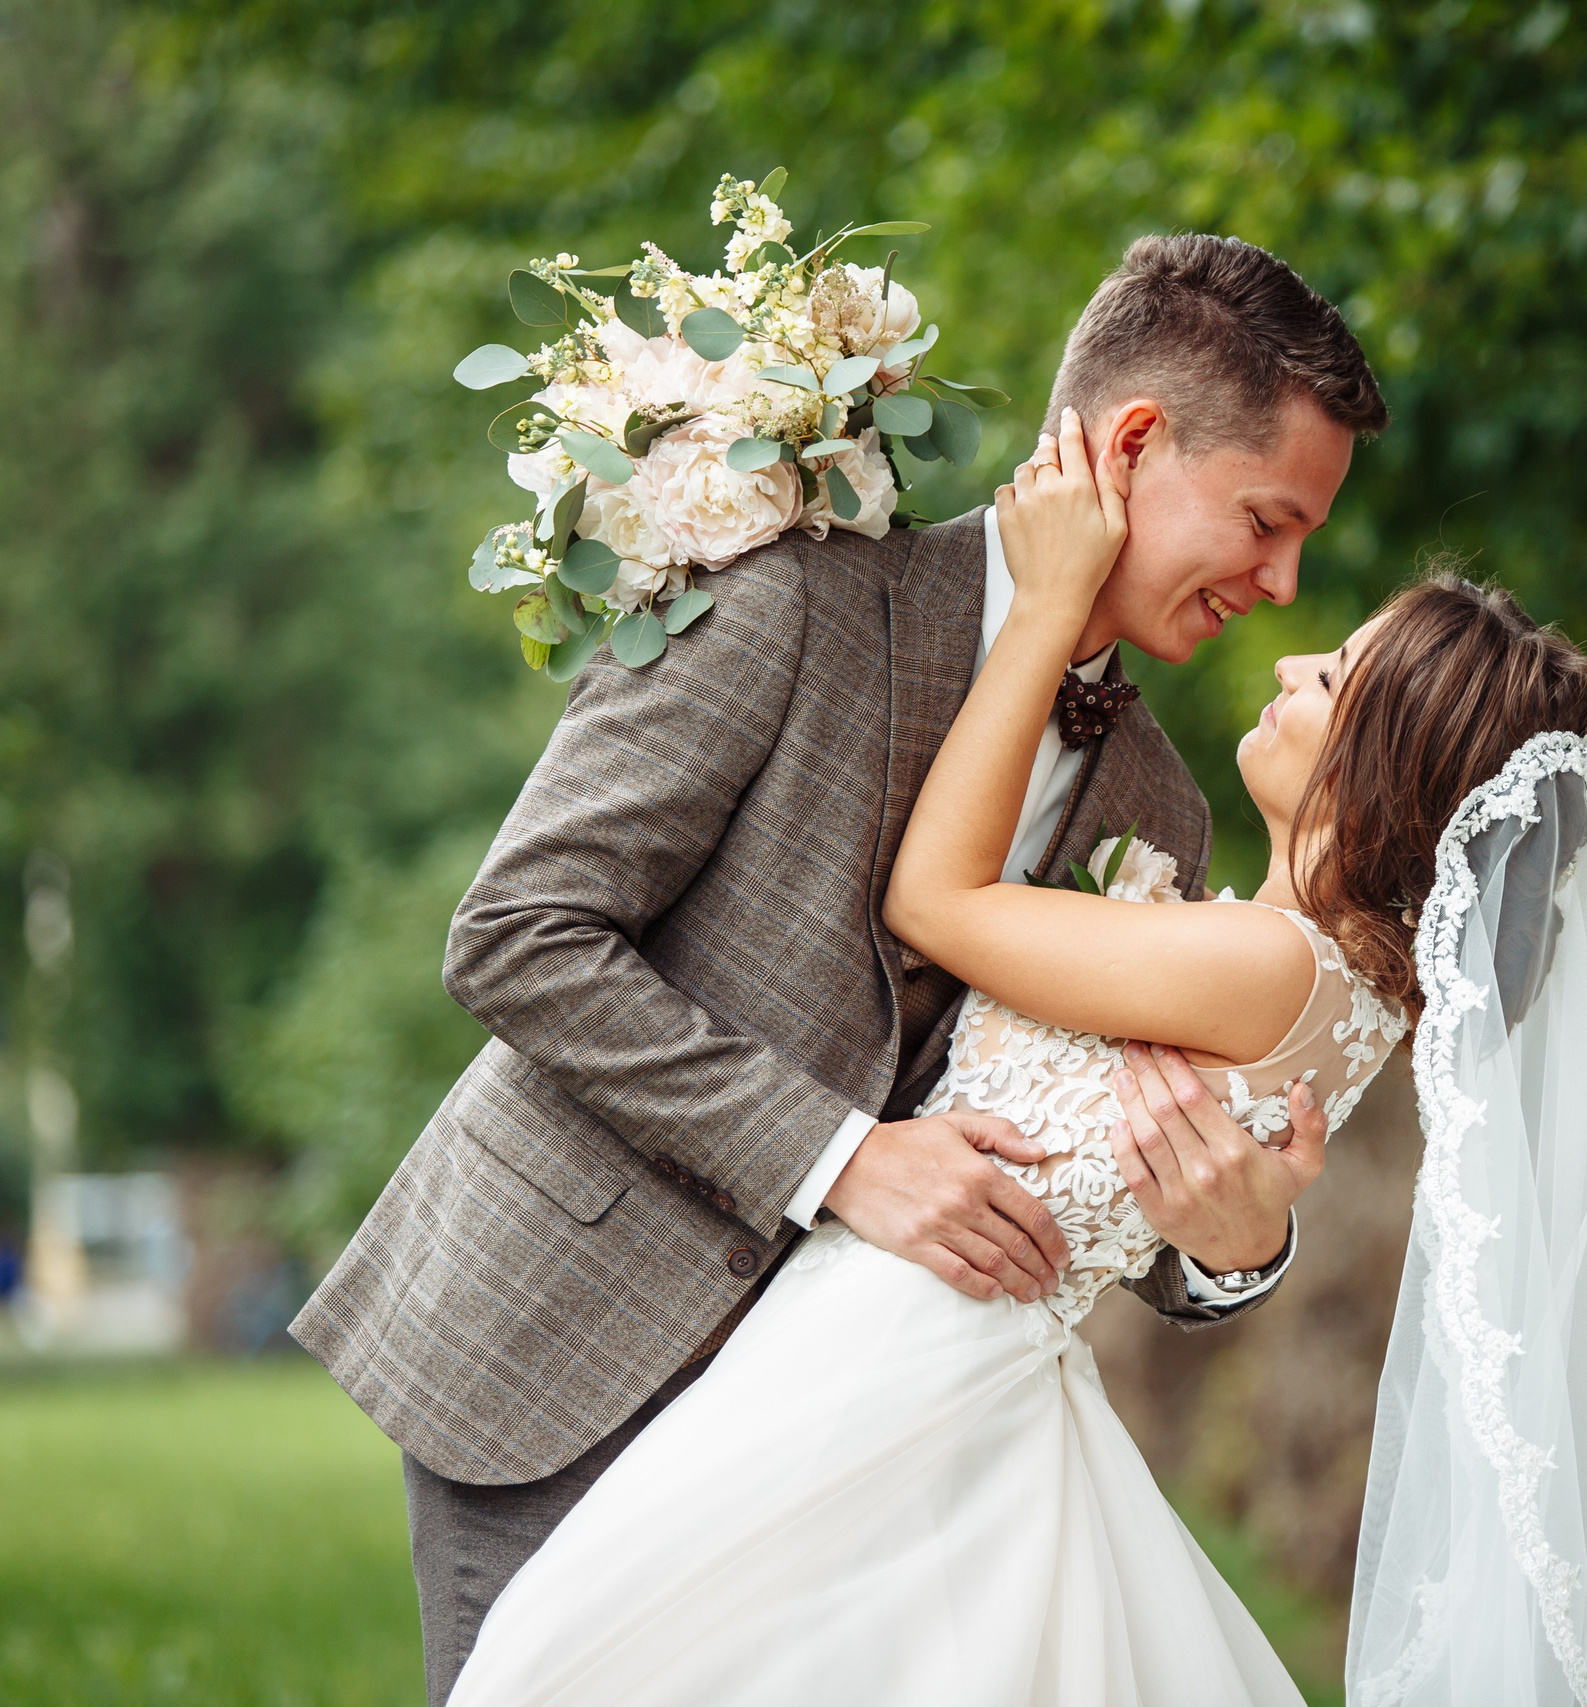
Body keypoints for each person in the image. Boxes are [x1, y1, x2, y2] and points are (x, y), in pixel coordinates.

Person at [292, 234, 1390, 1703]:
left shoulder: (1161, 810)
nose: (1283, 579)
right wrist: (839, 1158)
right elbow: (521, 937)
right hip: (564, 1337)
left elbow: (1090, 1168)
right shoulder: (795, 598)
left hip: (851, 1438)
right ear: (1134, 444)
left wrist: (1237, 1247)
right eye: (1267, 520)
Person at [444, 404, 1587, 1704]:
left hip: (902, 1362)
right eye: (1267, 526)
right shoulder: (1294, 963)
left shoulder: (1259, 950)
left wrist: (1043, 611)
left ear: (1382, 768)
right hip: (844, 1341)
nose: (1289, 659)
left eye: (1333, 676)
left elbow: (936, 906)